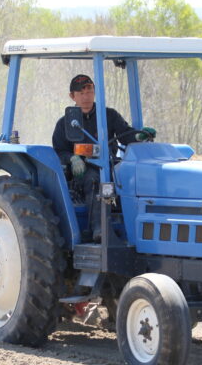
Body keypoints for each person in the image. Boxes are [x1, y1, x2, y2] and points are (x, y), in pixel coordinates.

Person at [51, 74, 155, 241]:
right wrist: (72, 159)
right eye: (81, 93)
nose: (86, 97)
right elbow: (59, 151)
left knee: (133, 176)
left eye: (90, 91)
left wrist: (140, 137)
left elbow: (126, 135)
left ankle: (140, 228)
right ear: (73, 96)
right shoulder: (65, 123)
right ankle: (99, 228)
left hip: (109, 164)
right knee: (94, 179)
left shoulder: (109, 115)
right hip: (81, 172)